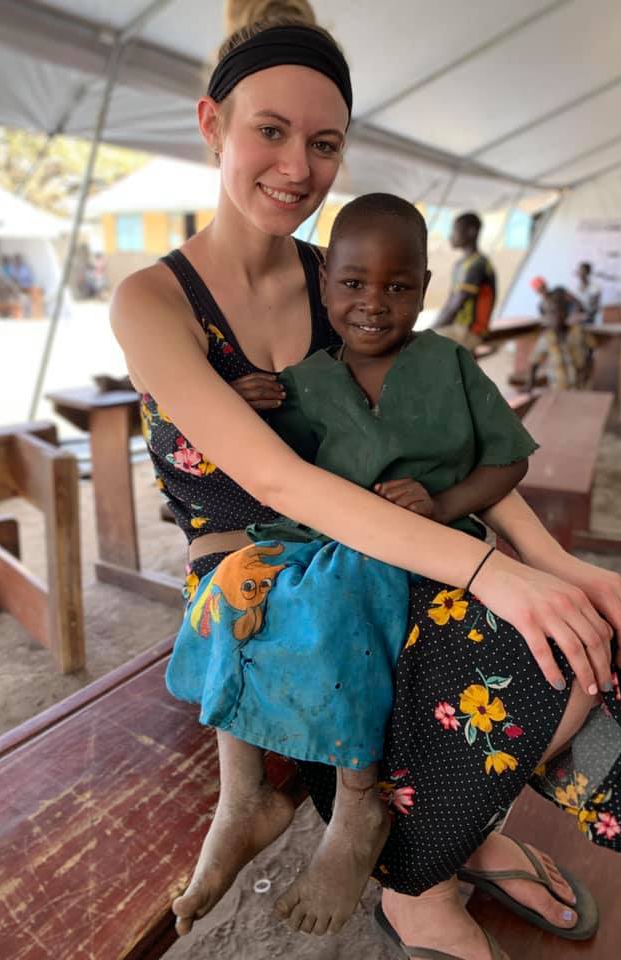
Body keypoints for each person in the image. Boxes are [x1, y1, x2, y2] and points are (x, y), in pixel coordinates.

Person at [112, 4, 621, 957]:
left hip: (381, 550)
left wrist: (554, 557)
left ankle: (446, 838)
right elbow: (279, 482)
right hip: (263, 590)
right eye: (269, 132)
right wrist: (493, 573)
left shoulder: (346, 275)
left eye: (323, 144)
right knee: (524, 654)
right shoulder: (154, 301)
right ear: (213, 126)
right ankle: (420, 875)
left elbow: (435, 433)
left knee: (596, 629)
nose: (296, 168)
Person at [167, 193, 538, 933]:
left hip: (418, 550)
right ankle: (243, 796)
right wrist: (241, 404)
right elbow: (266, 465)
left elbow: (508, 462)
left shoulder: (450, 365)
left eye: (398, 287)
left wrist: (440, 500)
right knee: (229, 588)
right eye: (354, 284)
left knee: (342, 594)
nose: (374, 304)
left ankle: (358, 801)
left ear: (426, 289)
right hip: (331, 541)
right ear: (325, 282)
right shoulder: (309, 380)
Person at [433, 212, 496, 350]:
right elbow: (450, 303)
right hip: (457, 327)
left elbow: (456, 305)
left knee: (423, 346)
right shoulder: (460, 265)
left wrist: (430, 330)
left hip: (472, 331)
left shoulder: (478, 264)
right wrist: (433, 326)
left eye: (455, 230)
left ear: (472, 232)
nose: (451, 235)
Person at [528, 287, 595, 391]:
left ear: (566, 313)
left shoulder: (578, 331)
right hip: (558, 388)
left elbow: (591, 346)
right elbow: (534, 362)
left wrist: (588, 366)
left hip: (579, 385)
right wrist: (530, 385)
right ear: (546, 317)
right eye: (551, 313)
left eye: (559, 312)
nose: (555, 317)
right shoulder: (546, 338)